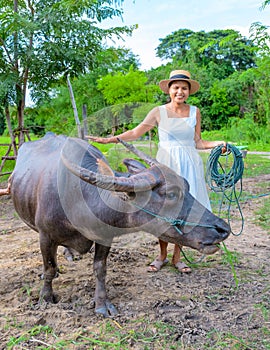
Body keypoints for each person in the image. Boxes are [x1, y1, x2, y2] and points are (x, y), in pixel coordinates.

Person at [87, 69, 226, 273]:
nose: (180, 91)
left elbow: (198, 142)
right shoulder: (158, 112)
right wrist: (110, 139)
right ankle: (161, 255)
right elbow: (136, 132)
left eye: (184, 88)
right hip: (166, 165)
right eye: (176, 87)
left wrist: (218, 143)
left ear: (189, 91)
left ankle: (177, 258)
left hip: (190, 164)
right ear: (169, 90)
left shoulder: (195, 111)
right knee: (164, 208)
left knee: (185, 209)